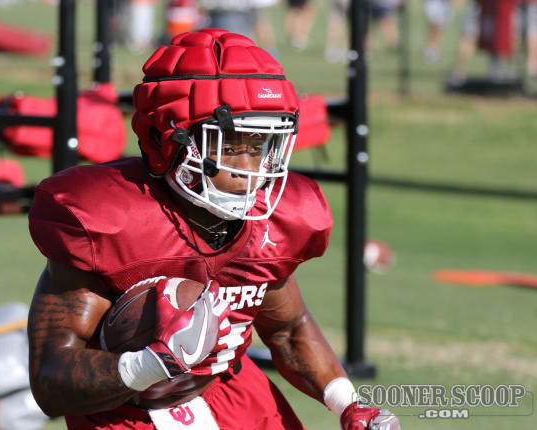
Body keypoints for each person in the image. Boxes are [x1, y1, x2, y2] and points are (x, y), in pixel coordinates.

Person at [26, 29, 397, 430]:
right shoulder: (108, 221)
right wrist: (152, 363)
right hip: (124, 412)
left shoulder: (272, 225)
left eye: (261, 147)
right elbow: (51, 383)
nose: (250, 171)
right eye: (232, 145)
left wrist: (346, 403)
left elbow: (289, 331)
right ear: (165, 138)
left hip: (234, 395)